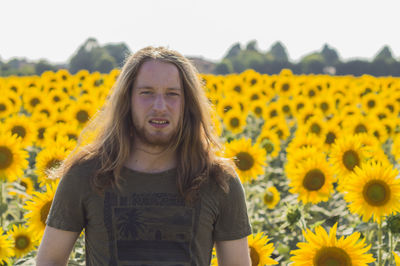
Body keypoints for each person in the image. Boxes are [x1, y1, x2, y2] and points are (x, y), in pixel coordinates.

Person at [36, 46, 252, 266]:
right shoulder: (85, 174)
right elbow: (49, 262)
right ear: (127, 100)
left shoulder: (219, 181)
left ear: (187, 104)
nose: (160, 106)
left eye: (172, 94)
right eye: (146, 93)